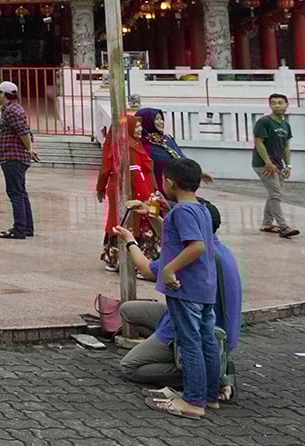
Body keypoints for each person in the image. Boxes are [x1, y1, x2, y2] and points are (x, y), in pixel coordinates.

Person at [116, 198, 242, 402]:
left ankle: (204, 375)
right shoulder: (220, 249)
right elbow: (172, 242)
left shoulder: (193, 256)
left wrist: (130, 241)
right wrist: (153, 215)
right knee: (128, 310)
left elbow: (148, 270)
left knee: (130, 366)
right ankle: (195, 363)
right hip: (200, 321)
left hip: (195, 326)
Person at [144, 158, 221, 420]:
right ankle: (210, 395)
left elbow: (196, 247)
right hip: (204, 286)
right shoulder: (199, 209)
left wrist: (169, 270)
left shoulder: (182, 212)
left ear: (170, 183)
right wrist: (159, 215)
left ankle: (193, 400)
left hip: (185, 287)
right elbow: (175, 238)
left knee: (190, 343)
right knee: (206, 340)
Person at [97, 111, 162, 271]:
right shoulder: (128, 148)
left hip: (141, 190)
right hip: (134, 192)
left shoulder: (135, 144)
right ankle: (139, 264)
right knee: (136, 223)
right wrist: (147, 197)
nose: (140, 129)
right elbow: (135, 174)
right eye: (137, 126)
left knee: (123, 222)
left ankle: (117, 259)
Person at [0, 80, 39, 239]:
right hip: (13, 156)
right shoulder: (12, 109)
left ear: (4, 94)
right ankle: (26, 227)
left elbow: (23, 132)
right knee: (20, 192)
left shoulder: (12, 111)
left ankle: (19, 229)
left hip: (13, 157)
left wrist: (29, 149)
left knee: (15, 193)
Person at [252, 93, 300, 238]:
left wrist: (288, 165)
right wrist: (267, 162)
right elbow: (258, 142)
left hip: (278, 164)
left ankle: (267, 223)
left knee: (274, 194)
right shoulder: (264, 122)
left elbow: (286, 146)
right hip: (264, 164)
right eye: (273, 103)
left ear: (286, 105)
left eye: (280, 103)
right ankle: (283, 226)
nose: (277, 105)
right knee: (276, 194)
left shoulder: (285, 125)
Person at [135, 107, 214, 190]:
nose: (161, 122)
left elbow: (181, 158)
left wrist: (198, 173)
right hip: (158, 189)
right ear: (147, 121)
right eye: (157, 119)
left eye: (161, 119)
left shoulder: (167, 139)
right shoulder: (141, 144)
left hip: (178, 188)